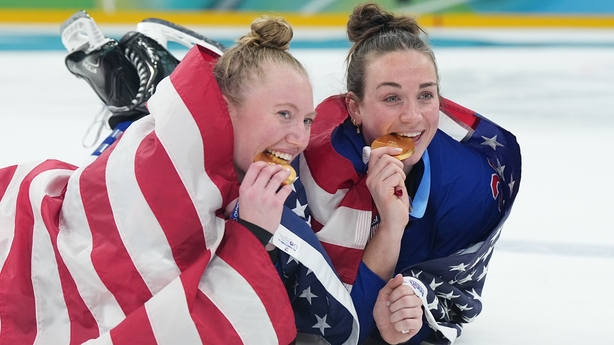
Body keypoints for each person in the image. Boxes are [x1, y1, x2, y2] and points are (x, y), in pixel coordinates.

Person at [0, 13, 359, 344]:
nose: (300, 136)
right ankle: (140, 93)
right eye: (284, 114)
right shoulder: (163, 175)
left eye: (307, 120)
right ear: (227, 107)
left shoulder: (267, 165)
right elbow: (164, 315)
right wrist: (253, 235)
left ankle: (136, 95)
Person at [299, 3, 522, 344]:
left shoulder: (470, 184)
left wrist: (411, 318)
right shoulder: (319, 169)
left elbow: (454, 301)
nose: (412, 116)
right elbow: (336, 325)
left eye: (426, 95)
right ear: (354, 109)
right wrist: (390, 226)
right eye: (392, 97)